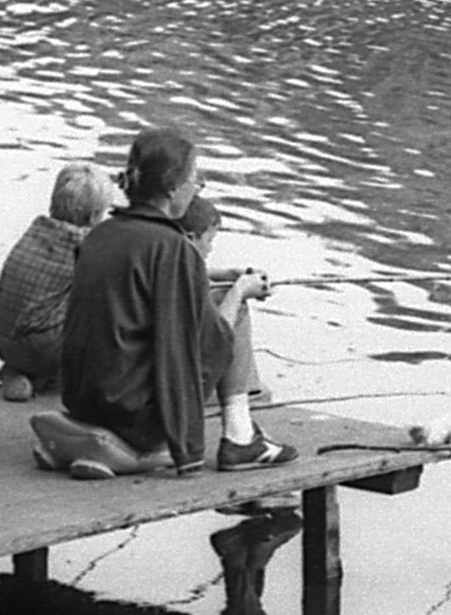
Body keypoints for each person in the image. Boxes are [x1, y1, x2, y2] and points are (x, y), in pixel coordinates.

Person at [52, 124, 293, 474]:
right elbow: (205, 341)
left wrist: (206, 275)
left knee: (220, 294)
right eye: (195, 180)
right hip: (134, 415)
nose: (196, 189)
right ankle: (241, 439)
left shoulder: (101, 233)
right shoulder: (172, 247)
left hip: (84, 402)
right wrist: (240, 291)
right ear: (172, 187)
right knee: (231, 304)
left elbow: (139, 290)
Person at [0, 163, 112, 401]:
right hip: (41, 348)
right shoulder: (87, 243)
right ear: (94, 215)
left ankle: (25, 373)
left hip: (5, 343)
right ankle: (65, 375)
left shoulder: (36, 231)